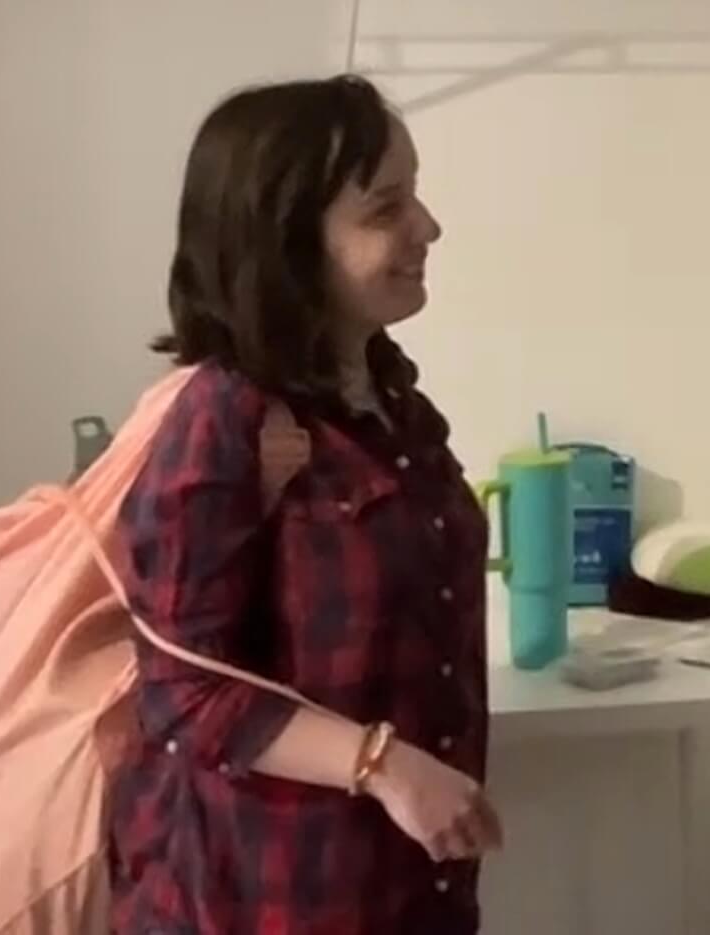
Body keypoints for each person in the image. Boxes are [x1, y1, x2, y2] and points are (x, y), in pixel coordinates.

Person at [108, 74, 503, 935]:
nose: (427, 228)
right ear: (289, 245)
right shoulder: (223, 416)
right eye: (384, 209)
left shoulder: (393, 400)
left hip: (406, 892)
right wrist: (387, 766)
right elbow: (183, 689)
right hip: (264, 901)